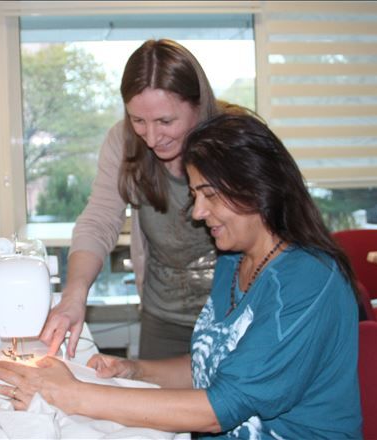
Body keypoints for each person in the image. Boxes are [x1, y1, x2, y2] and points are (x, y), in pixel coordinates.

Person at [0, 111, 362, 438]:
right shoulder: (234, 260)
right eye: (196, 196)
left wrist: (71, 394)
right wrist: (134, 370)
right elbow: (211, 366)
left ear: (257, 185)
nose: (198, 212)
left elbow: (220, 408)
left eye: (209, 195)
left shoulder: (307, 282)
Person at [41, 38, 236, 360]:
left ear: (198, 106)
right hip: (164, 316)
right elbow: (99, 220)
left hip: (237, 313)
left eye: (165, 121)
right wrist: (74, 294)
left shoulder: (237, 139)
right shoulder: (122, 142)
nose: (152, 138)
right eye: (138, 120)